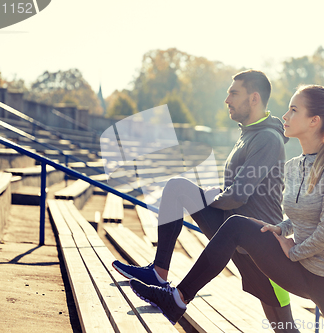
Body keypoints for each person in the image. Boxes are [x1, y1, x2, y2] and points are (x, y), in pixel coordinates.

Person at [129, 85, 324, 333]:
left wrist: (294, 250)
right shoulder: (295, 165)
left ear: (313, 121)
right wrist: (281, 228)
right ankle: (177, 299)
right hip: (303, 271)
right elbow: (299, 216)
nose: (284, 116)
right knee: (237, 226)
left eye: (294, 110)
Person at [112, 69, 300, 332]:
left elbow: (237, 195)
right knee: (177, 188)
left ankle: (175, 297)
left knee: (284, 326)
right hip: (233, 232)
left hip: (262, 245)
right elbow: (234, 189)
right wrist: (211, 194)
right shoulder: (249, 133)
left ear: (254, 98)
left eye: (234, 93)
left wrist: (211, 197)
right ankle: (159, 273)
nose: (227, 100)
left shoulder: (267, 139)